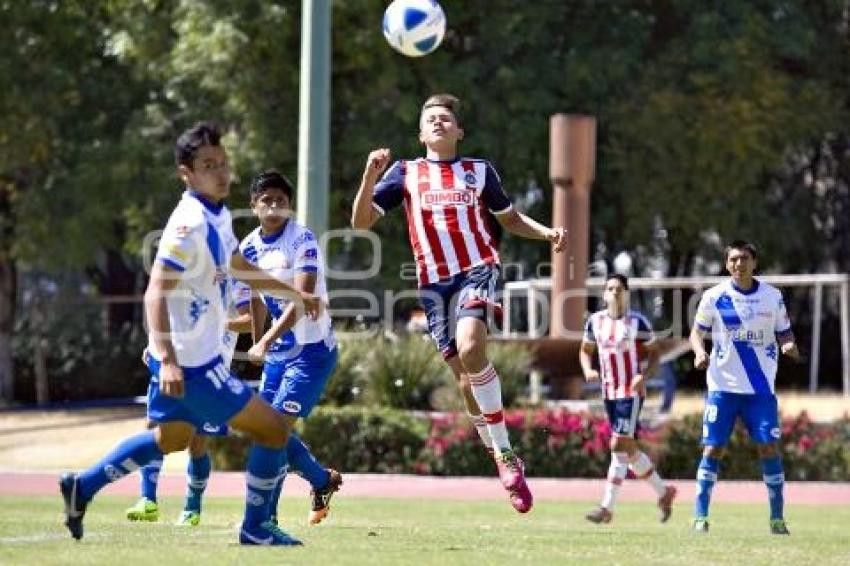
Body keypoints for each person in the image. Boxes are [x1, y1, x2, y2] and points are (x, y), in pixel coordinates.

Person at [59, 121, 321, 546]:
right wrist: (165, 358)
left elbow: (241, 269)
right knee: (274, 430)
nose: (220, 173)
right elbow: (154, 292)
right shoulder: (189, 223)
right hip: (192, 367)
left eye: (222, 163)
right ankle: (256, 529)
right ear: (187, 173)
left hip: (193, 362)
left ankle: (82, 486)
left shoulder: (217, 215)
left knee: (172, 438)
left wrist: (295, 293)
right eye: (207, 165)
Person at [350, 93, 567, 513]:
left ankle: (504, 455)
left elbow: (509, 219)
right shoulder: (405, 173)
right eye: (430, 118)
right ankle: (502, 454)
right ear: (420, 132)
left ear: (459, 131)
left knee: (472, 348)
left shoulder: (479, 172)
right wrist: (368, 175)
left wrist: (546, 233)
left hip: (477, 269)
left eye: (446, 118)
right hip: (433, 285)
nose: (438, 123)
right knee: (466, 382)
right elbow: (360, 222)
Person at [240, 169, 342, 528]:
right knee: (267, 431)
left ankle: (265, 519)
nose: (273, 205)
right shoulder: (249, 247)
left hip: (312, 352)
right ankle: (321, 481)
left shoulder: (303, 240)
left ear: (290, 206)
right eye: (265, 199)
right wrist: (258, 341)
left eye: (281, 200)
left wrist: (264, 340)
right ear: (253, 206)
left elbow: (301, 301)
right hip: (279, 353)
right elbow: (253, 299)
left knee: (274, 430)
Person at [689, 240, 800, 535]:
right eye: (734, 259)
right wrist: (700, 352)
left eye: (745, 258)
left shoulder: (772, 297)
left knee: (769, 447)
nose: (739, 264)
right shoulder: (714, 297)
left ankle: (777, 519)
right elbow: (696, 334)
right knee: (713, 448)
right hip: (722, 387)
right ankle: (700, 517)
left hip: (760, 389)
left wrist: (789, 344)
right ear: (727, 264)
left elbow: (785, 331)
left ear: (755, 262)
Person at [125, 278, 252, 526]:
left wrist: (216, 324)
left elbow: (249, 322)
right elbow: (167, 312)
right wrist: (155, 347)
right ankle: (147, 499)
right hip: (174, 364)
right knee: (154, 426)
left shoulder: (237, 279)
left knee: (198, 442)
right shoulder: (185, 273)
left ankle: (192, 508)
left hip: (211, 371)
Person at [579, 274, 677, 524]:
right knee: (628, 450)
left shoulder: (638, 322)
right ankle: (664, 492)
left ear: (626, 294)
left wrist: (643, 376)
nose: (614, 293)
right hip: (608, 392)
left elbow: (656, 354)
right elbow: (585, 350)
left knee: (617, 444)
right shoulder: (595, 321)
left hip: (630, 392)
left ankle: (606, 508)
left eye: (619, 289)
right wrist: (588, 369)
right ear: (603, 294)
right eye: (610, 289)